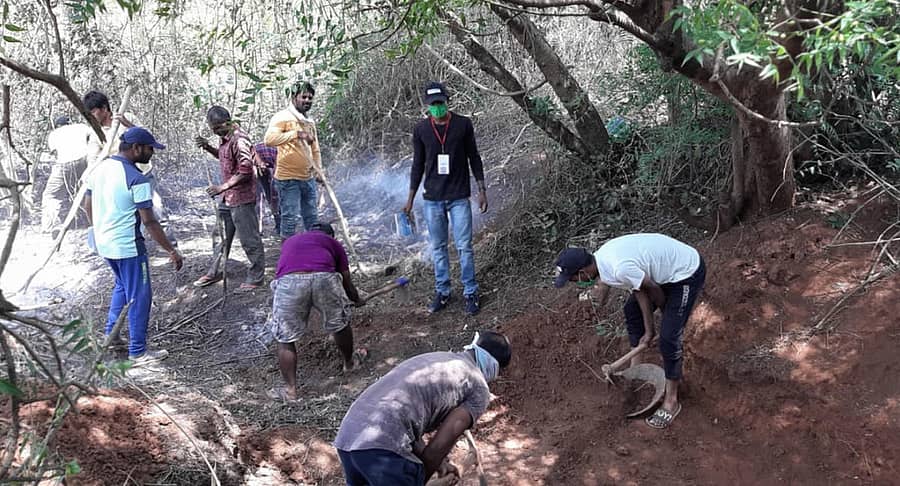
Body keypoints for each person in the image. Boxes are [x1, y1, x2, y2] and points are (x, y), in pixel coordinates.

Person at [553, 233, 706, 429]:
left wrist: (665, 312)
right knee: (631, 311)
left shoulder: (617, 268)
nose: (575, 283)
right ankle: (636, 370)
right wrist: (648, 331)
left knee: (669, 339)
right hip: (661, 274)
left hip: (685, 273)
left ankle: (672, 401)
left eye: (573, 279)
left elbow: (652, 288)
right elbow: (639, 290)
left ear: (583, 272)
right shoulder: (603, 263)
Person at [333, 330, 512, 485]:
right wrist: (420, 480)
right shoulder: (479, 388)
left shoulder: (440, 358)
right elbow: (440, 445)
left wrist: (440, 465)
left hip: (348, 436)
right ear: (495, 368)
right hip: (383, 448)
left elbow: (406, 415)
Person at [83, 127, 183, 365]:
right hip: (128, 246)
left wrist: (98, 229)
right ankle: (138, 352)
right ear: (137, 148)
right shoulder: (137, 178)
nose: (152, 153)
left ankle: (111, 336)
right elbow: (149, 221)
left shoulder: (101, 168)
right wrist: (171, 250)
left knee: (122, 287)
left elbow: (87, 204)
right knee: (140, 295)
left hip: (105, 243)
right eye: (150, 149)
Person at [403, 81, 488, 316]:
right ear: (427, 106)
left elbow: (474, 157)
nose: (437, 108)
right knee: (439, 247)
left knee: (464, 247)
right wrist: (410, 199)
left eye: (440, 103)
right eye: (433, 105)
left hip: (459, 196)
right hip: (432, 199)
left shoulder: (463, 124)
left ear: (447, 101)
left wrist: (482, 189)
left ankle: (470, 292)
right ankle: (443, 291)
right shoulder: (421, 129)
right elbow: (417, 165)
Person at [266, 222, 366, 401]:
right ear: (331, 235)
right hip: (324, 279)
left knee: (285, 338)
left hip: (289, 281)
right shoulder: (332, 243)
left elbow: (286, 269)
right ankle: (350, 364)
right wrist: (356, 299)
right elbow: (346, 279)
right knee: (339, 324)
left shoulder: (291, 241)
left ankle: (290, 391)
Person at [83, 90, 176, 246]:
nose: (92, 116)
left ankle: (172, 247)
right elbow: (92, 159)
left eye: (94, 111)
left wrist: (128, 125)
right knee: (129, 217)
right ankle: (135, 247)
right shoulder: (95, 133)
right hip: (120, 181)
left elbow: (149, 139)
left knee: (157, 210)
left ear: (104, 108)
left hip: (143, 174)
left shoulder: (127, 118)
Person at [193, 106, 266, 291]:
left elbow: (246, 170)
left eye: (217, 128)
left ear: (226, 122)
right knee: (220, 235)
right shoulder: (225, 139)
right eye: (213, 129)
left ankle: (256, 277)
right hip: (228, 198)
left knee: (249, 239)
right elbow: (225, 158)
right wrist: (208, 147)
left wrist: (221, 187)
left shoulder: (239, 140)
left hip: (241, 198)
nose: (215, 131)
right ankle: (215, 270)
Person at [264, 80, 322, 238]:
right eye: (304, 97)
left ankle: (314, 252)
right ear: (294, 97)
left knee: (312, 219)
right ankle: (288, 257)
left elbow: (315, 150)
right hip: (288, 179)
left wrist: (319, 172)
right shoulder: (282, 117)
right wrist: (296, 134)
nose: (307, 101)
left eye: (310, 98)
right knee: (290, 219)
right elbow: (269, 139)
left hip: (307, 178)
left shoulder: (309, 122)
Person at [41, 115, 94, 235]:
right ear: (70, 122)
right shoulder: (81, 127)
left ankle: (50, 226)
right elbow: (92, 139)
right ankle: (96, 220)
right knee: (88, 189)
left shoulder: (54, 134)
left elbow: (53, 152)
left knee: (51, 195)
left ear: (57, 125)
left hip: (64, 163)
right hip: (84, 160)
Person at [253, 142, 280, 235]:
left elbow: (277, 167)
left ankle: (279, 224)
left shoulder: (276, 151)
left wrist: (274, 179)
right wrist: (260, 167)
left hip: (273, 165)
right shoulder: (253, 152)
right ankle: (258, 228)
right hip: (259, 168)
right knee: (259, 198)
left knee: (275, 196)